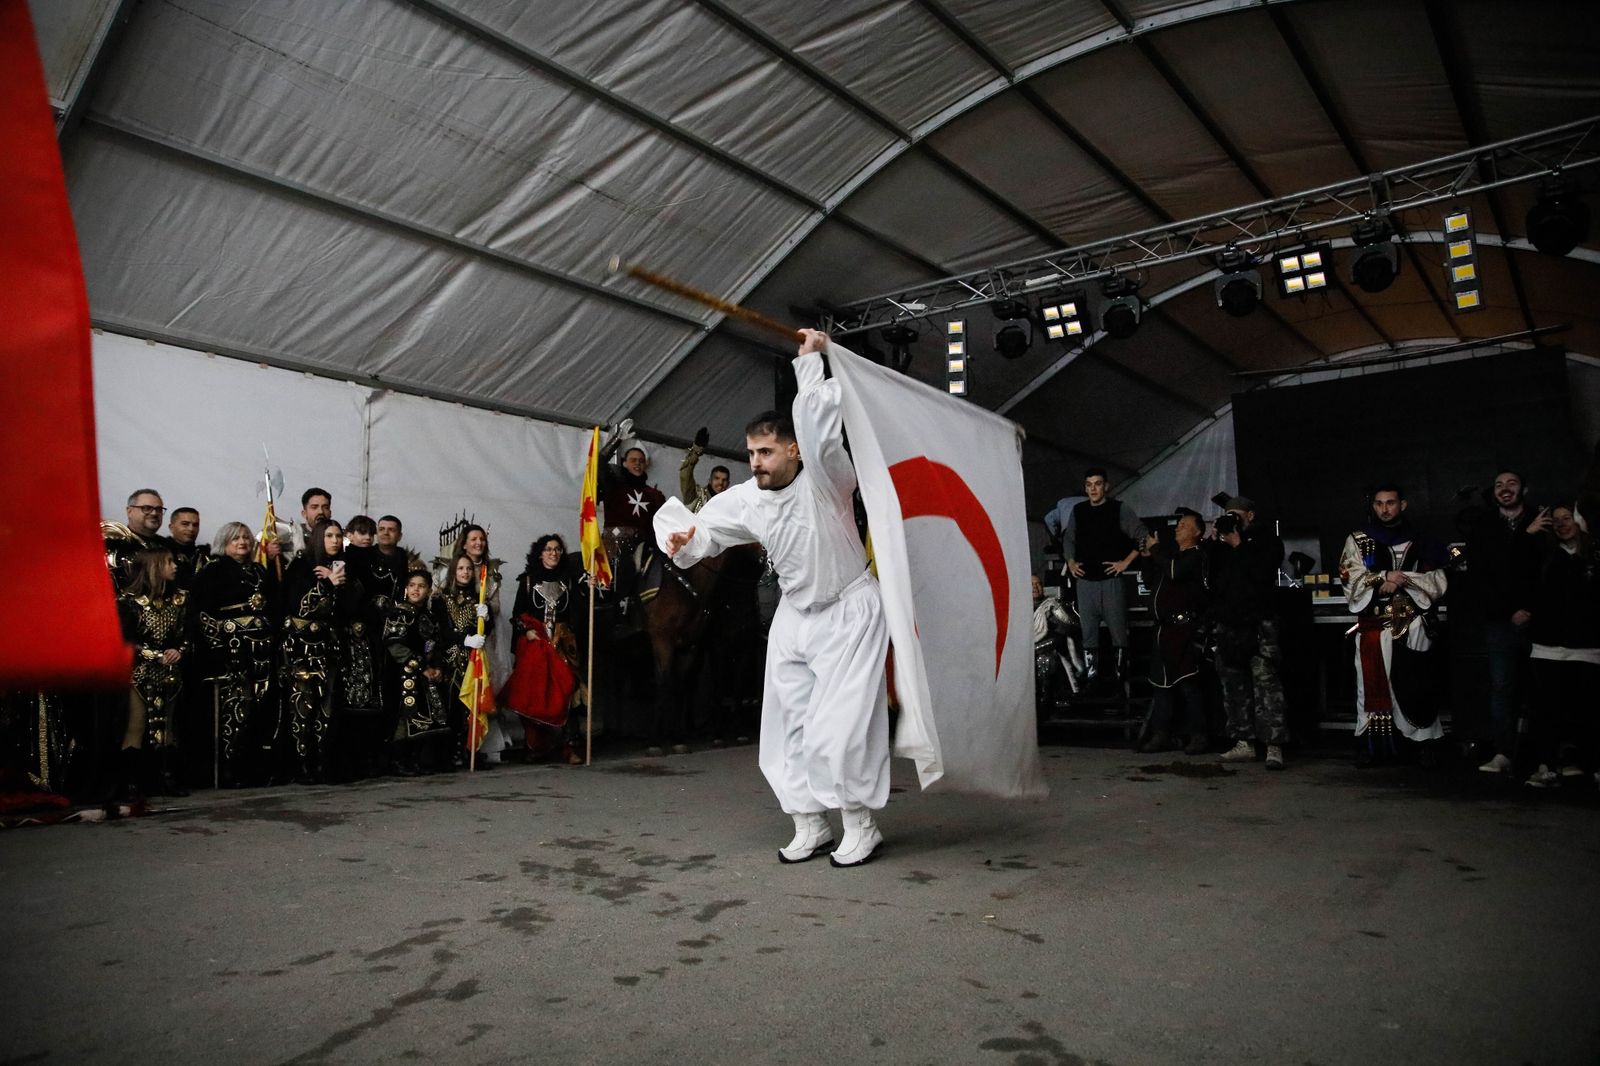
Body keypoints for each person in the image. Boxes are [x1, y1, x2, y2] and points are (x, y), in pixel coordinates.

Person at [654, 328, 890, 868]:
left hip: (849, 613)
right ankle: (810, 824)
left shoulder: (828, 480)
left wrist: (810, 364)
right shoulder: (747, 497)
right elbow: (707, 529)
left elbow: (825, 432)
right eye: (751, 452)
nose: (755, 461)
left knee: (839, 730)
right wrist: (688, 538)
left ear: (794, 450)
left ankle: (860, 825)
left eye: (765, 451)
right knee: (783, 730)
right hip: (794, 618)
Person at [1338, 485, 1449, 765]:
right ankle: (1376, 746)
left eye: (1390, 503)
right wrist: (1381, 578)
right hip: (1375, 623)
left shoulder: (1423, 540)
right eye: (1379, 504)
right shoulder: (1359, 540)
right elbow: (1349, 576)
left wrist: (1403, 579)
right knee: (1373, 682)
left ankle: (1423, 742)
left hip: (1414, 623)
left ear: (1403, 504)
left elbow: (1437, 579)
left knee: (1417, 681)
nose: (1384, 509)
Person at [1464, 470, 1544, 774]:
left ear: (1524, 487)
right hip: (1499, 620)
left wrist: (1530, 609)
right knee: (1501, 687)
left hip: (1540, 621)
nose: (1505, 489)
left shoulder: (1541, 520)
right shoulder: (1485, 526)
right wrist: (1509, 610)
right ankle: (1504, 752)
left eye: (1511, 483)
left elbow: (1545, 569)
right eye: (1498, 485)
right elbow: (1481, 576)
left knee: (1543, 688)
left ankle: (1545, 755)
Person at [190, 522, 277, 787]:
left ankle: (255, 767)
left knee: (261, 708)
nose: (242, 542)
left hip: (261, 652)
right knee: (235, 709)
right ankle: (230, 769)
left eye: (246, 537)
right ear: (224, 541)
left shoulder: (259, 570)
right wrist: (217, 651)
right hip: (231, 652)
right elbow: (203, 615)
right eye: (235, 538)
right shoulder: (212, 571)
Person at [1524, 503, 1600, 788]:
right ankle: (1547, 766)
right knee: (1547, 711)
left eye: (1566, 518)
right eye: (1555, 520)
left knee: (1588, 711)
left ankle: (1591, 765)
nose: (1561, 524)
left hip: (1587, 647)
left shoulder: (1593, 557)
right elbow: (1518, 572)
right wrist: (1528, 537)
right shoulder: (1545, 555)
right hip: (1548, 646)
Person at [1211, 497, 1289, 770]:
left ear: (1250, 515)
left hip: (1259, 624)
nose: (1231, 520)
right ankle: (1243, 742)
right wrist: (1215, 543)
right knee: (1234, 686)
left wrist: (1238, 545)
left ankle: (1274, 746)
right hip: (1229, 625)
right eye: (1227, 515)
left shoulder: (1267, 541)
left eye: (1236, 515)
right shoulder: (1222, 547)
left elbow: (1261, 573)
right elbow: (1213, 579)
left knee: (1266, 685)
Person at [280, 519, 357, 783]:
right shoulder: (302, 566)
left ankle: (324, 763)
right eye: (329, 536)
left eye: (338, 536)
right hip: (300, 648)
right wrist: (326, 584)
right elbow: (300, 607)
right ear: (318, 538)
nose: (335, 541)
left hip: (328, 648)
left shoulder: (343, 567)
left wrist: (340, 585)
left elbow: (347, 611)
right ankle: (302, 765)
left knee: (328, 707)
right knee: (302, 706)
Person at [1059, 469, 1148, 685]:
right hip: (1086, 581)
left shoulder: (1119, 509)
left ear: (1106, 486)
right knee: (1088, 633)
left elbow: (1142, 535)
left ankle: (1120, 679)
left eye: (1097, 484)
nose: (1093, 489)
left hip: (1111, 580)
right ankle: (1092, 679)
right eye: (1089, 485)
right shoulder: (1078, 511)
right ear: (1085, 487)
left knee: (1118, 632)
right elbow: (1068, 539)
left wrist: (1125, 562)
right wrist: (1070, 562)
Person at [499, 535, 583, 764]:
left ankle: (570, 746)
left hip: (563, 646)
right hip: (536, 646)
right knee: (535, 693)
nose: (553, 553)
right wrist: (526, 631)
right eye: (548, 549)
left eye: (557, 549)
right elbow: (517, 615)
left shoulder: (571, 581)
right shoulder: (527, 581)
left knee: (569, 693)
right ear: (540, 553)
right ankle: (538, 745)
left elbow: (578, 613)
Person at [115, 545, 190, 798]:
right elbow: (126, 640)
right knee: (137, 725)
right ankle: (131, 783)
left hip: (170, 670)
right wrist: (154, 655)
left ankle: (166, 779)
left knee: (168, 726)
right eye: (169, 561)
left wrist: (179, 650)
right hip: (140, 672)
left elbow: (186, 634)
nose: (175, 566)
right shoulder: (129, 602)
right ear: (154, 567)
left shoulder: (179, 600)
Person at [1138, 509, 1211, 755]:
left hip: (1184, 630)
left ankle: (1198, 735)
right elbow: (1151, 581)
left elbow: (1174, 572)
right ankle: (1162, 734)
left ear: (1198, 531)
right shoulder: (1171, 557)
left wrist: (1156, 551)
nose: (1178, 527)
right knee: (1161, 685)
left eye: (1184, 524)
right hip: (1163, 630)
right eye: (1177, 524)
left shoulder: (1195, 555)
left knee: (1188, 684)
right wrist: (1148, 557)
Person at [379, 570, 453, 775]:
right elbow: (394, 645)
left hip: (426, 676)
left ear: (428, 590)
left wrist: (438, 667)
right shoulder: (399, 612)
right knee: (405, 717)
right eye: (412, 585)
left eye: (421, 586)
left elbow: (437, 646)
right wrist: (421, 667)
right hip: (404, 676)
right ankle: (398, 761)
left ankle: (420, 759)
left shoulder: (430, 617)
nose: (416, 589)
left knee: (429, 717)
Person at [437, 553, 493, 767]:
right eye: (460, 568)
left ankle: (471, 751)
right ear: (453, 571)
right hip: (450, 659)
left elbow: (487, 630)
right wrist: (464, 639)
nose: (465, 572)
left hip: (472, 660)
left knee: (471, 708)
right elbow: (441, 630)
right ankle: (451, 753)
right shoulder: (441, 598)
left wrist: (486, 619)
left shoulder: (479, 599)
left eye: (469, 569)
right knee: (451, 706)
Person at [104, 488, 168, 591]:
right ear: (129, 511)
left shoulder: (168, 546)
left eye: (159, 509)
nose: (154, 513)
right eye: (146, 508)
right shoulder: (113, 545)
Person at [680, 426, 732, 514]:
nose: (720, 483)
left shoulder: (730, 505)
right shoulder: (696, 495)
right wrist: (696, 452)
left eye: (724, 480)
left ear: (728, 484)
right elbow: (684, 475)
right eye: (717, 478)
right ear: (709, 480)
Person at [166, 507, 210, 589]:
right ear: (171, 527)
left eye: (195, 525)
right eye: (185, 524)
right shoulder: (161, 553)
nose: (191, 529)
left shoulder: (206, 555)